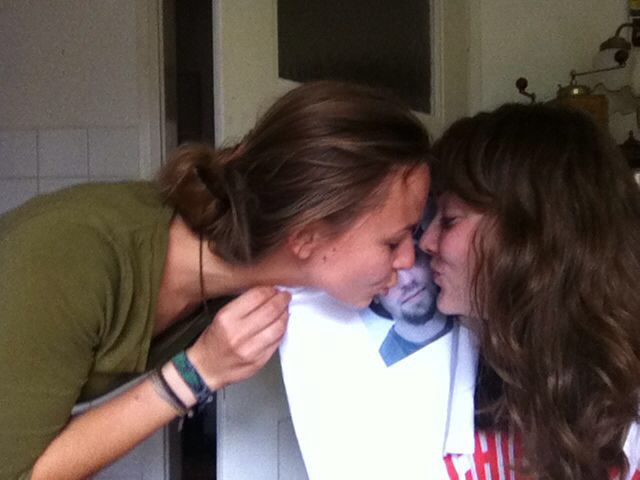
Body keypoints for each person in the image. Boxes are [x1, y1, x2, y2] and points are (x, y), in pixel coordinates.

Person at [0, 80, 431, 479]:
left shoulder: (240, 273)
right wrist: (197, 372)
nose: (411, 258)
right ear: (306, 236)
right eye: (394, 242)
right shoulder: (70, 261)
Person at [419, 103, 640, 479]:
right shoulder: (444, 366)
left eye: (450, 219)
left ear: (529, 236)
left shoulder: (625, 398)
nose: (426, 242)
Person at [367, 246, 453, 366]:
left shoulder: (470, 313)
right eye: (384, 275)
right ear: (374, 295)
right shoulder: (383, 364)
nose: (407, 281)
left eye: (413, 257)